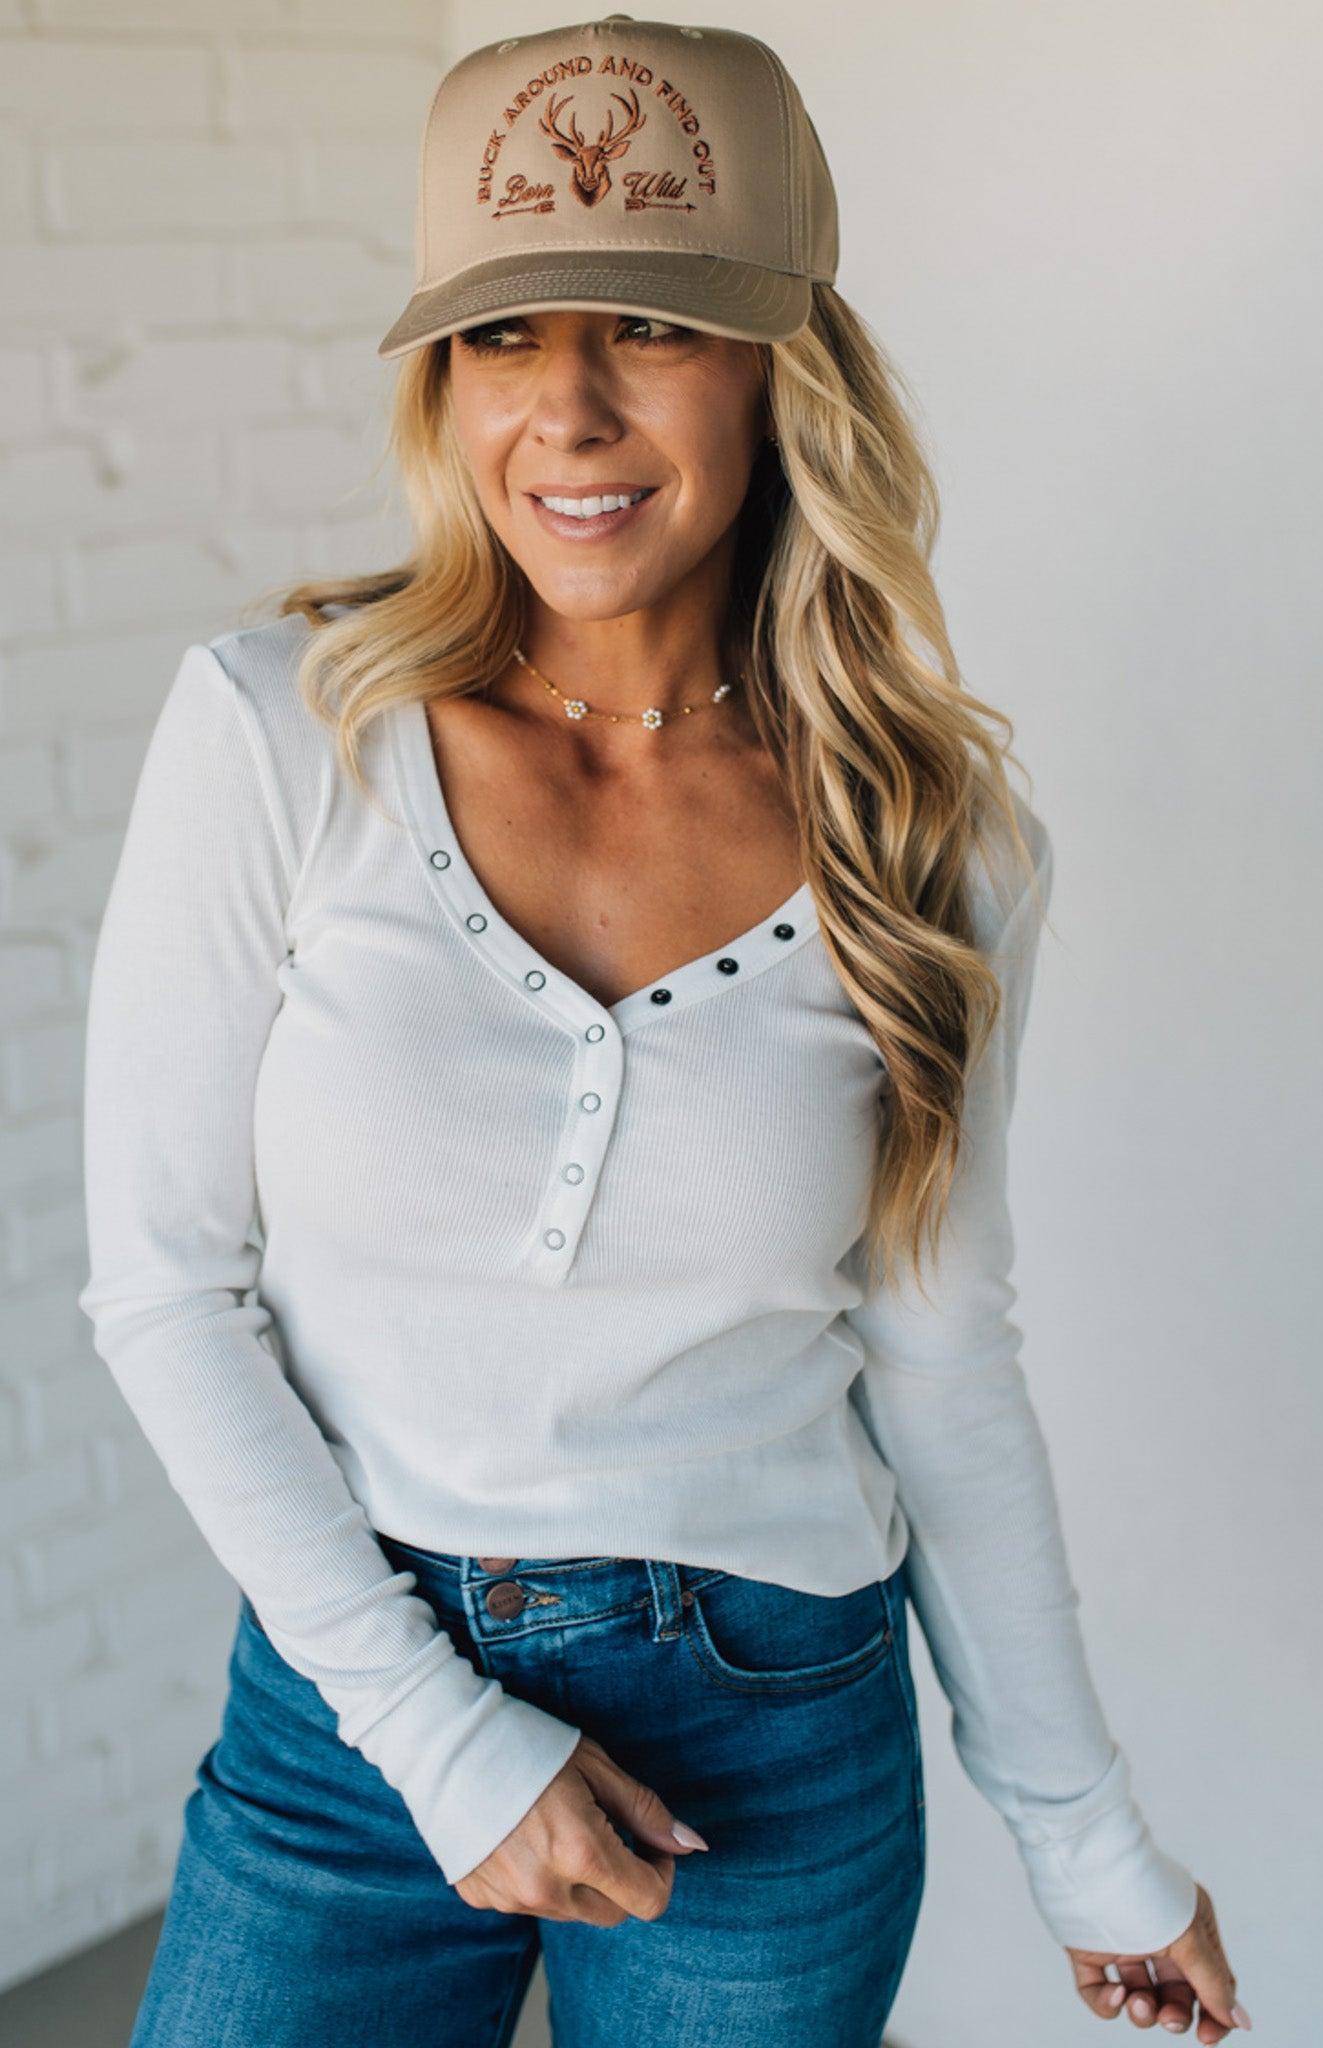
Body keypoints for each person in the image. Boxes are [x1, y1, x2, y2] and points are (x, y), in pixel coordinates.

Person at [76, 14, 1248, 2047]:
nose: (571, 410)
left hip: (774, 1740)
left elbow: (940, 1364)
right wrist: (442, 1736)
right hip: (355, 1710)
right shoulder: (281, 729)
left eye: (652, 327)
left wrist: (1086, 1841)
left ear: (787, 357)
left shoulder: (932, 838)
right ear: (442, 380)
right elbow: (167, 1292)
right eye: (503, 338)